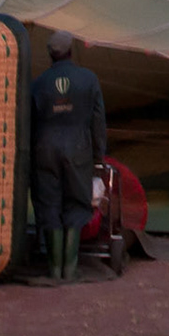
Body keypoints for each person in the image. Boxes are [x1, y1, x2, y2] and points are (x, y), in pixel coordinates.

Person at [30, 29, 107, 281]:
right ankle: (70, 269)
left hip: (45, 149)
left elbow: (30, 122)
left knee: (49, 203)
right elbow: (97, 120)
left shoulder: (38, 83)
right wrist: (98, 156)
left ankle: (53, 270)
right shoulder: (88, 79)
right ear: (72, 51)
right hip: (78, 149)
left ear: (50, 55)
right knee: (75, 202)